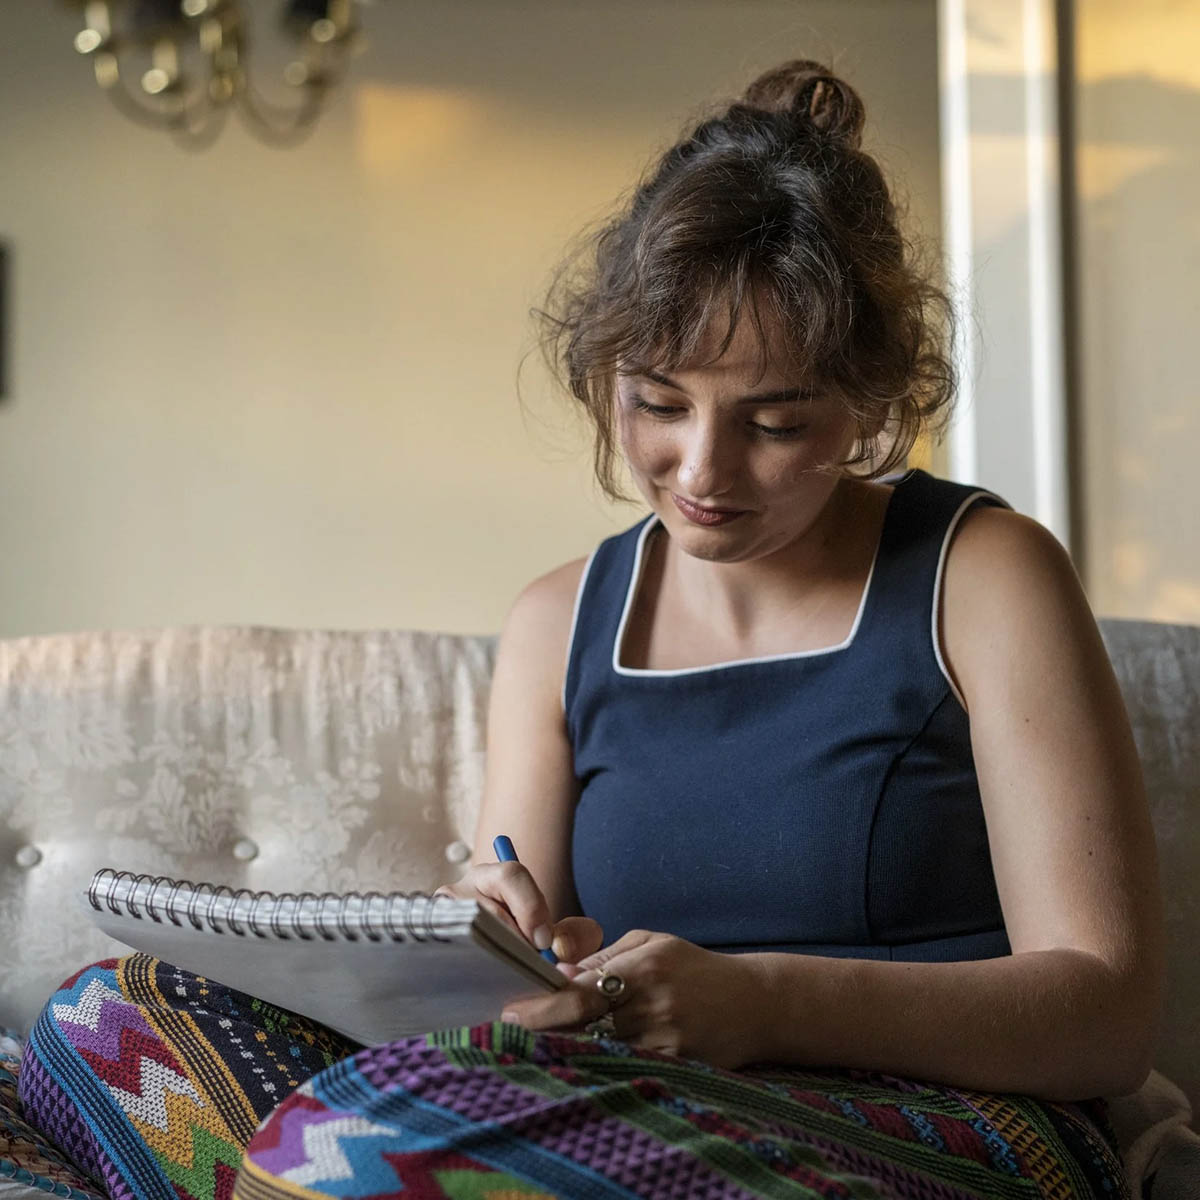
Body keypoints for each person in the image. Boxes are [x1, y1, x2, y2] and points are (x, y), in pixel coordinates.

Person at [21, 60, 1162, 1200]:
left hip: (938, 1130)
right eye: (659, 404)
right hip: (609, 1110)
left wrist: (760, 1003)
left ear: (869, 403)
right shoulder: (560, 618)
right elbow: (520, 963)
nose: (702, 471)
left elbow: (1105, 1014)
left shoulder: (981, 573)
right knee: (103, 1027)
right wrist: (490, 936)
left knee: (390, 1140)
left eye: (774, 422)